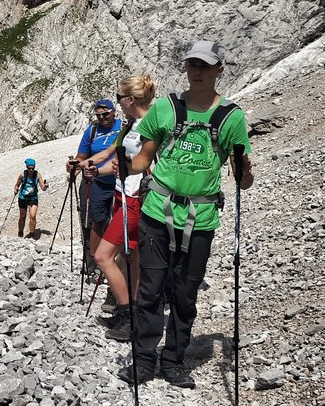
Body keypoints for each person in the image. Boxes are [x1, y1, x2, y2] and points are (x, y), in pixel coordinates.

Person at [117, 40, 254, 388]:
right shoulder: (166, 108)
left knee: (185, 292)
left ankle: (174, 361)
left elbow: (243, 179)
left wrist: (245, 169)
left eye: (205, 66)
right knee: (150, 290)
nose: (198, 72)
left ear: (219, 70)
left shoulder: (232, 117)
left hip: (201, 218)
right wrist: (122, 167)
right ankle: (144, 360)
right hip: (157, 212)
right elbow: (143, 160)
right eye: (193, 65)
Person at [80, 75, 157, 341]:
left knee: (103, 256)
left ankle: (127, 314)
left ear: (130, 100)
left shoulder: (151, 125)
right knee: (131, 257)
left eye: (119, 98)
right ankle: (133, 312)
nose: (118, 103)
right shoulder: (131, 124)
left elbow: (148, 164)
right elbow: (114, 160)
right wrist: (93, 169)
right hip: (122, 195)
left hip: (135, 199)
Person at [68, 99, 122, 270]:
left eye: (105, 114)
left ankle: (112, 260)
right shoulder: (91, 130)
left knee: (116, 222)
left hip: (118, 182)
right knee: (92, 221)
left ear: (114, 112)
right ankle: (92, 262)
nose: (102, 118)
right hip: (94, 181)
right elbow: (81, 156)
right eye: (98, 115)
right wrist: (74, 166)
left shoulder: (123, 127)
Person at [13, 158, 48, 238]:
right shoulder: (22, 175)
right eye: (29, 168)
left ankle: (32, 234)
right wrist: (16, 189)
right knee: (22, 216)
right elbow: (17, 185)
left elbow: (43, 188)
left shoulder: (38, 175)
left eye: (33, 168)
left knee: (32, 216)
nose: (31, 170)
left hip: (33, 197)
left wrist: (46, 186)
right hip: (23, 197)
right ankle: (20, 233)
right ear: (26, 167)